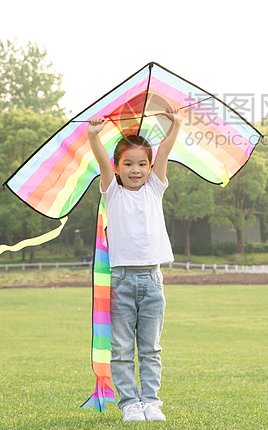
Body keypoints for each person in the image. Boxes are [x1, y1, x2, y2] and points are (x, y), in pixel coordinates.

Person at [87, 107, 182, 422]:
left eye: (142, 163)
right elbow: (101, 159)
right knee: (123, 349)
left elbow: (166, 150)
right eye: (128, 163)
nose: (136, 169)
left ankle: (151, 401)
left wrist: (176, 124)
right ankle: (130, 403)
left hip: (153, 280)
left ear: (151, 166)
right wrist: (93, 135)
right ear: (117, 168)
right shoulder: (112, 192)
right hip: (121, 282)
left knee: (151, 349)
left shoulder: (156, 188)